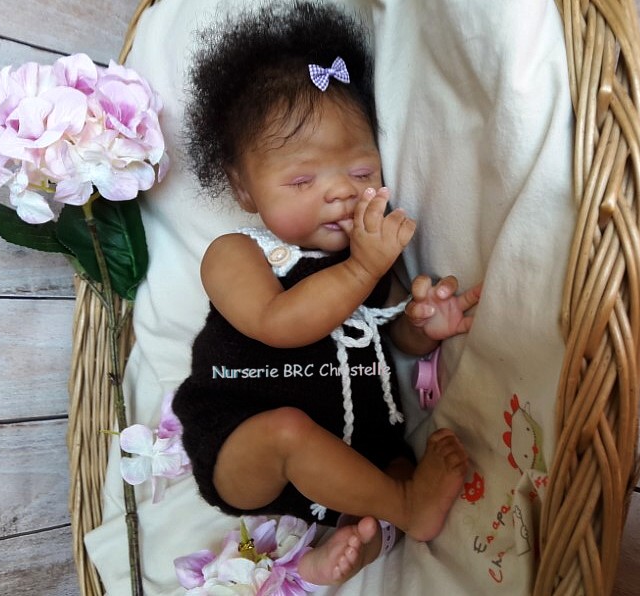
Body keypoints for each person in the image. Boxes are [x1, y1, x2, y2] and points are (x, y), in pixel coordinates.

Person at [173, 1, 481, 586]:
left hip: (358, 446)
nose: (341, 192)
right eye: (302, 180)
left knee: (394, 467)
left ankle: (350, 546)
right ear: (244, 188)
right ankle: (406, 505)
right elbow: (278, 322)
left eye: (362, 174)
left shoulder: (367, 256)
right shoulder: (237, 253)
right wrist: (363, 269)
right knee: (289, 431)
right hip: (247, 443)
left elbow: (394, 337)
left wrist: (424, 323)